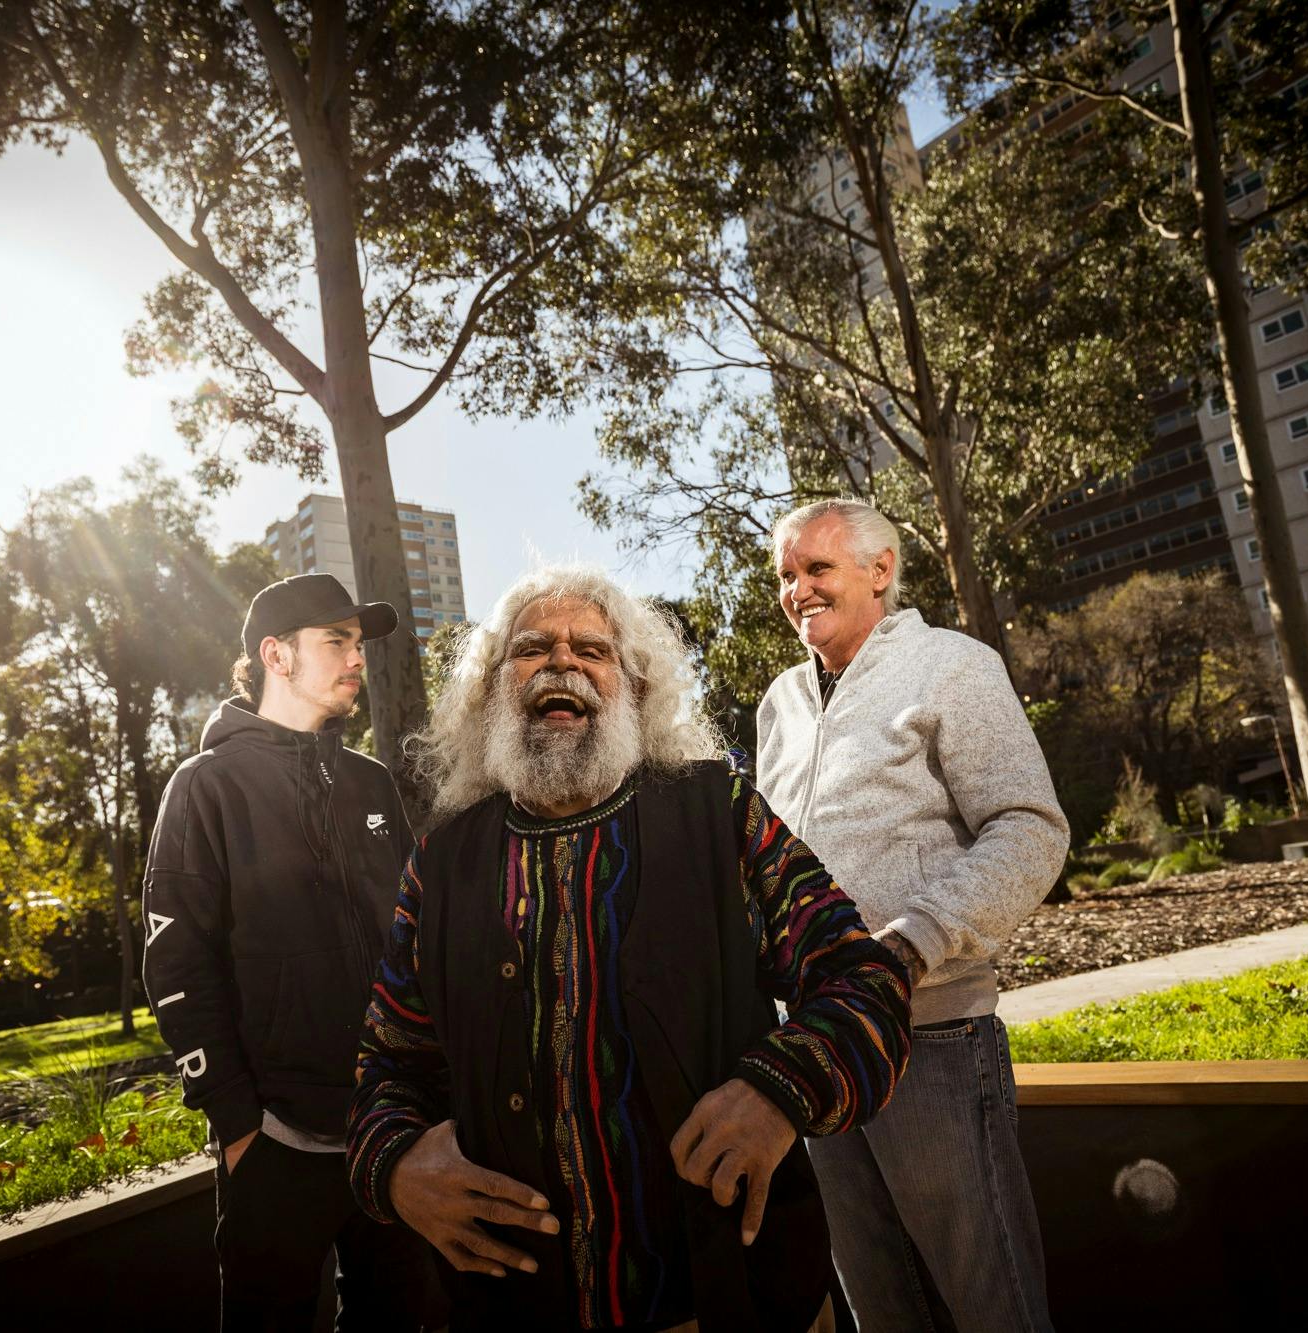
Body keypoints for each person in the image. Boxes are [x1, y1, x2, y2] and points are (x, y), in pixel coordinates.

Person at [346, 565, 913, 1333]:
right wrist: (394, 1165)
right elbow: (387, 1064)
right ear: (489, 692)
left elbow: (865, 979)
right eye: (532, 648)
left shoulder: (721, 814)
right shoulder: (439, 864)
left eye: (593, 650)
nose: (562, 662)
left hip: (736, 1299)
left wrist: (781, 1091)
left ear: (635, 689)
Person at [756, 499, 1070, 1332]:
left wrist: (912, 945)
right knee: (881, 1307)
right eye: (786, 575)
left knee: (991, 1303)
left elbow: (1031, 829)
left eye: (817, 569)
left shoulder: (951, 665)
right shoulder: (779, 703)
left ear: (880, 570)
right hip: (819, 1048)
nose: (797, 590)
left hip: (929, 1037)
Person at [141, 572, 436, 1331]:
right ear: (276, 655)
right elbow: (176, 965)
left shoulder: (371, 784)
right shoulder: (204, 787)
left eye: (359, 642)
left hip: (390, 1134)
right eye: (337, 640)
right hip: (275, 1143)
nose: (357, 658)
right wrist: (240, 1126)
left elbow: (415, 939)